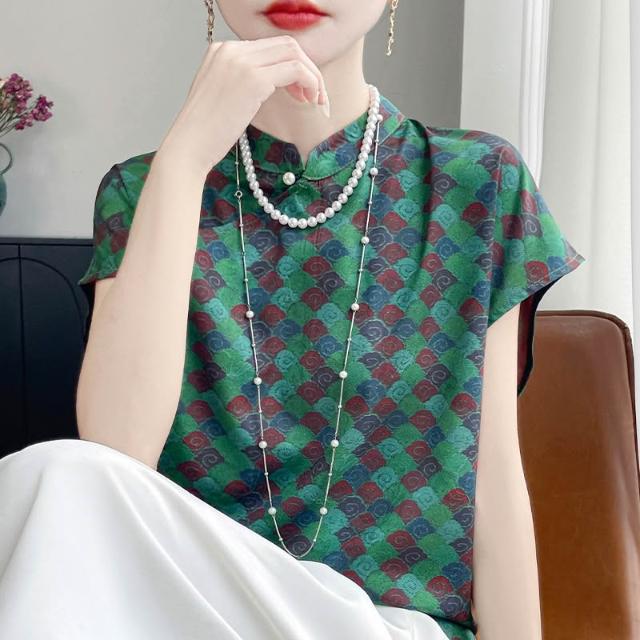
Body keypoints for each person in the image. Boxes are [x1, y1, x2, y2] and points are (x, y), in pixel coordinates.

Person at [0, 1, 586, 639]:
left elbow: (492, 479)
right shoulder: (144, 189)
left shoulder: (474, 182)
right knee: (53, 474)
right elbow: (113, 466)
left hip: (383, 626)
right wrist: (186, 157)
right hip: (195, 614)